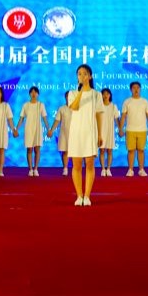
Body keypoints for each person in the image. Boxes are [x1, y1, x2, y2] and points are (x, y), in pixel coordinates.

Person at [67, 64, 104, 206]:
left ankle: (87, 196)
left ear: (90, 76)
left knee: (89, 164)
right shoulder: (72, 93)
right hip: (76, 132)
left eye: (85, 73)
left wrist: (100, 134)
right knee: (76, 165)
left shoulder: (96, 94)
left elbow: (99, 115)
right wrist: (81, 91)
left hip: (90, 132)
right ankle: (79, 196)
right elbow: (74, 107)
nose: (82, 76)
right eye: (79, 74)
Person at [119, 81, 148, 177]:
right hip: (130, 130)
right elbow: (123, 116)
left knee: (141, 150)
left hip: (142, 129)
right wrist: (120, 129)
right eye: (134, 88)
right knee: (131, 150)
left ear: (140, 89)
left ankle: (141, 169)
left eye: (138, 87)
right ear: (131, 90)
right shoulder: (127, 102)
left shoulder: (145, 101)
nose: (136, 89)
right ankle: (130, 170)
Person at [16, 86, 50, 177]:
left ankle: (36, 169)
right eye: (32, 92)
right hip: (28, 129)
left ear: (38, 94)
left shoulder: (41, 105)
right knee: (29, 149)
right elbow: (21, 118)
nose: (33, 94)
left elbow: (44, 118)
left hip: (38, 129)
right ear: (29, 94)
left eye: (35, 92)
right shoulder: (25, 105)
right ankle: (30, 169)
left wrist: (49, 129)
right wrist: (16, 129)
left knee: (37, 149)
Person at [47, 91, 73, 176]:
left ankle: (75, 169)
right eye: (67, 96)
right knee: (65, 151)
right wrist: (51, 130)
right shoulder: (61, 108)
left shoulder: (77, 108)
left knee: (75, 153)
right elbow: (57, 120)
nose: (68, 98)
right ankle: (65, 168)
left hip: (75, 134)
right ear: (65, 98)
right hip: (64, 133)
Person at [98, 88, 120, 176]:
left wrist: (120, 129)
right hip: (101, 131)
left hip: (110, 131)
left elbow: (117, 119)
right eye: (103, 94)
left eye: (107, 94)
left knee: (110, 151)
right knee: (102, 150)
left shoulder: (113, 106)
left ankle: (108, 169)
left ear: (110, 95)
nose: (105, 95)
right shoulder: (98, 106)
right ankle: (103, 169)